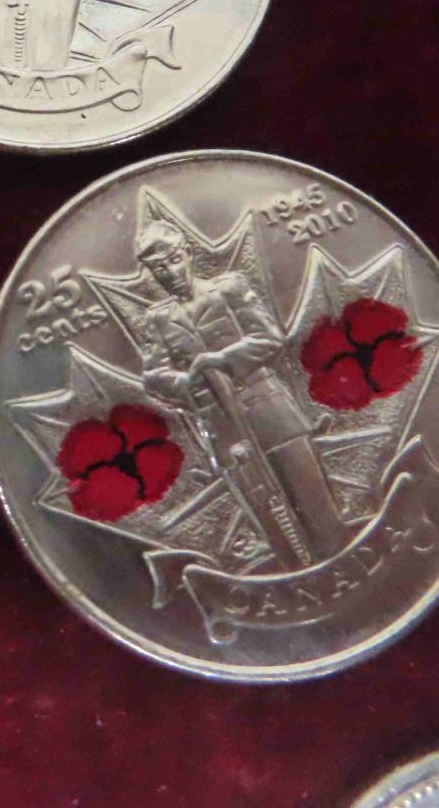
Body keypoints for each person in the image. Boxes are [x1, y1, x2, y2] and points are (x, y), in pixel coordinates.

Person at [135, 214, 351, 566]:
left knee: (316, 504)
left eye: (174, 260)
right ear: (152, 273)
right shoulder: (157, 319)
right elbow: (154, 375)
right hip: (223, 429)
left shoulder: (229, 289)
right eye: (159, 268)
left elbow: (269, 338)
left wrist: (220, 359)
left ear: (187, 253)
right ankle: (298, 578)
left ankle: (345, 562)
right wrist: (187, 381)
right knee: (270, 522)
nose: (170, 272)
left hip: (270, 412)